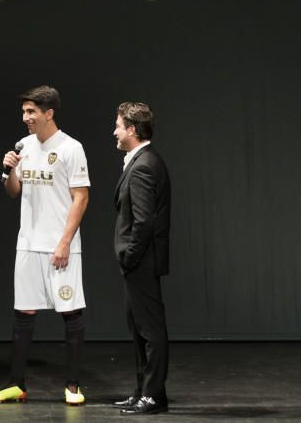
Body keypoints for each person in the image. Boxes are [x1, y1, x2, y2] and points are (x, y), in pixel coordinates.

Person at [0, 86, 90, 406]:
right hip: (28, 244)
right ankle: (16, 384)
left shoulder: (71, 148)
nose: (26, 117)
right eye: (24, 112)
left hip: (61, 246)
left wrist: (64, 242)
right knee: (23, 313)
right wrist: (9, 171)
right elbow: (14, 191)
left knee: (70, 313)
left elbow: (81, 198)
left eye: (32, 112)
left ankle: (72, 386)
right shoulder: (23, 146)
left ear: (49, 113)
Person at [111, 101, 171, 415]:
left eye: (118, 126)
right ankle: (143, 391)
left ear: (132, 129)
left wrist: (130, 257)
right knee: (139, 329)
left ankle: (153, 395)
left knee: (150, 330)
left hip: (141, 261)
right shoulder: (141, 160)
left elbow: (144, 221)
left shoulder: (145, 164)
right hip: (138, 261)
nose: (115, 132)